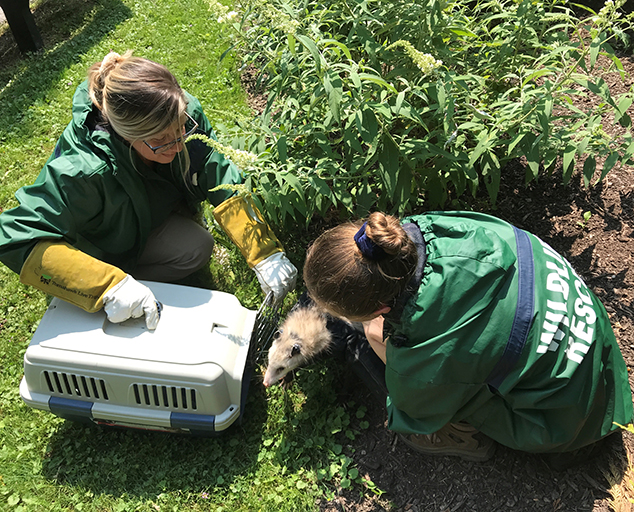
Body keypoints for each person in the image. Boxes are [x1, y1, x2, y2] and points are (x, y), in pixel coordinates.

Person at [303, 210, 633, 467]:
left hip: (572, 418)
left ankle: (462, 438)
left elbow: (412, 407)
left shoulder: (432, 347)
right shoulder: (432, 230)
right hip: (596, 353)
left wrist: (381, 339)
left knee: (379, 339)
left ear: (380, 306)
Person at [0, 51, 296, 329]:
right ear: (127, 136)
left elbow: (216, 171)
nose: (179, 143)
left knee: (197, 248)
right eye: (162, 139)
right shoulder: (83, 170)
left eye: (181, 126)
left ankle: (130, 288)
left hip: (139, 221)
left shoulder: (176, 113)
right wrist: (105, 285)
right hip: (97, 245)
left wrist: (264, 252)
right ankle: (92, 291)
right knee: (106, 283)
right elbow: (13, 238)